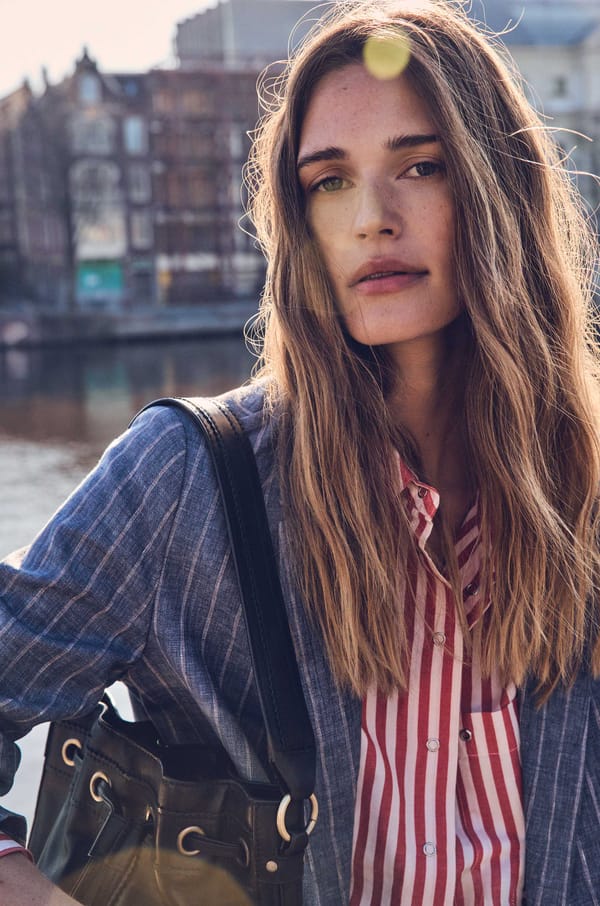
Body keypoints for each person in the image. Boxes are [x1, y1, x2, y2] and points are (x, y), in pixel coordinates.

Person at [1, 1, 599, 903]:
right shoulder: (191, 481)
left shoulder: (582, 487)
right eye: (329, 181)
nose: (369, 218)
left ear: (499, 188)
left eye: (421, 166)